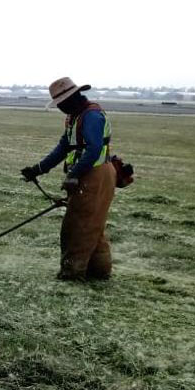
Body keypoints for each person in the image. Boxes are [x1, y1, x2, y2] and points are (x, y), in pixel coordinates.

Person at [22, 76, 117, 281]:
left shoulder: (91, 116)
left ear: (72, 98)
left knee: (77, 226)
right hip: (90, 172)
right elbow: (64, 147)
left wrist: (73, 175)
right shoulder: (75, 117)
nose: (60, 108)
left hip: (96, 172)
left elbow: (93, 150)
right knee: (93, 225)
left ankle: (72, 273)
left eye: (61, 104)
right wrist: (37, 169)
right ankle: (99, 272)